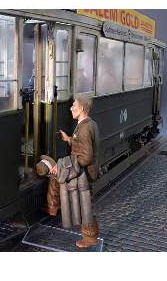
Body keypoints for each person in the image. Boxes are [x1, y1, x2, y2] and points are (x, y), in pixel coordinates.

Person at [49, 93, 100, 248]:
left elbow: (85, 158)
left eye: (74, 106)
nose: (71, 108)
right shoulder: (88, 124)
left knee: (85, 206)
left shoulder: (84, 129)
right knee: (84, 205)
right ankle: (55, 206)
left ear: (82, 108)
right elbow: (80, 144)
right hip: (83, 171)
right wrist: (69, 139)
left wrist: (63, 165)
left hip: (83, 173)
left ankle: (90, 238)